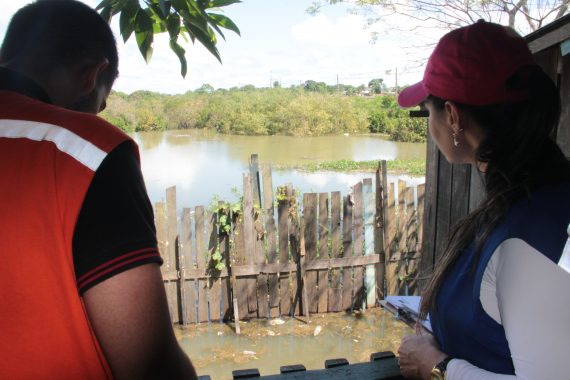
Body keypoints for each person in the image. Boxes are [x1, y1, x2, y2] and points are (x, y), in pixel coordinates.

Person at [0, 1, 197, 379]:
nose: (95, 115)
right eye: (100, 105)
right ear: (93, 74)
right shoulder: (87, 150)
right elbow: (150, 366)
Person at [396, 20, 570, 379]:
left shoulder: (524, 239)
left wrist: (437, 367)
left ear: (454, 117)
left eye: (429, 111)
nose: (431, 125)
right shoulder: (536, 194)